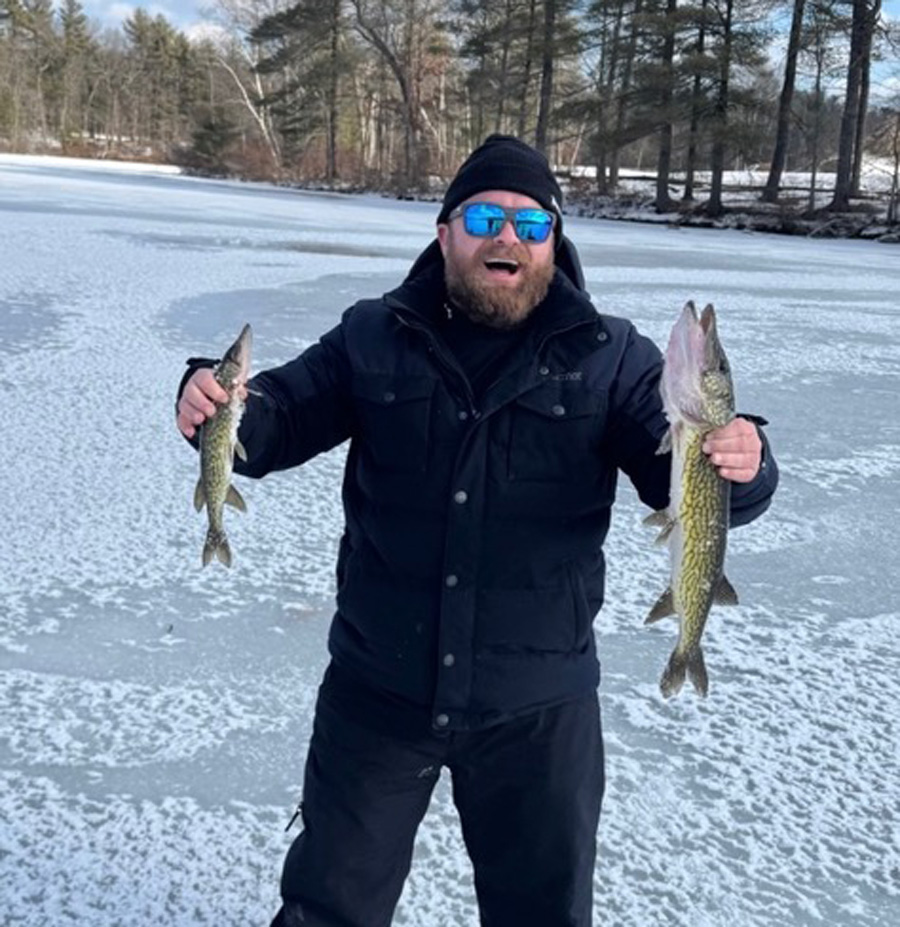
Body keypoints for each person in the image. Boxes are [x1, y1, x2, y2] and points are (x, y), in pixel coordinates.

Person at [175, 135, 778, 927]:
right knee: (328, 907)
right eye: (487, 216)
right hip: (379, 690)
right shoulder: (372, 334)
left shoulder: (611, 358)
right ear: (445, 232)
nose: (508, 238)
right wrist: (211, 401)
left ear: (554, 245)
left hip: (537, 706)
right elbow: (276, 420)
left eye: (532, 225)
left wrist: (747, 461)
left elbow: (695, 481)